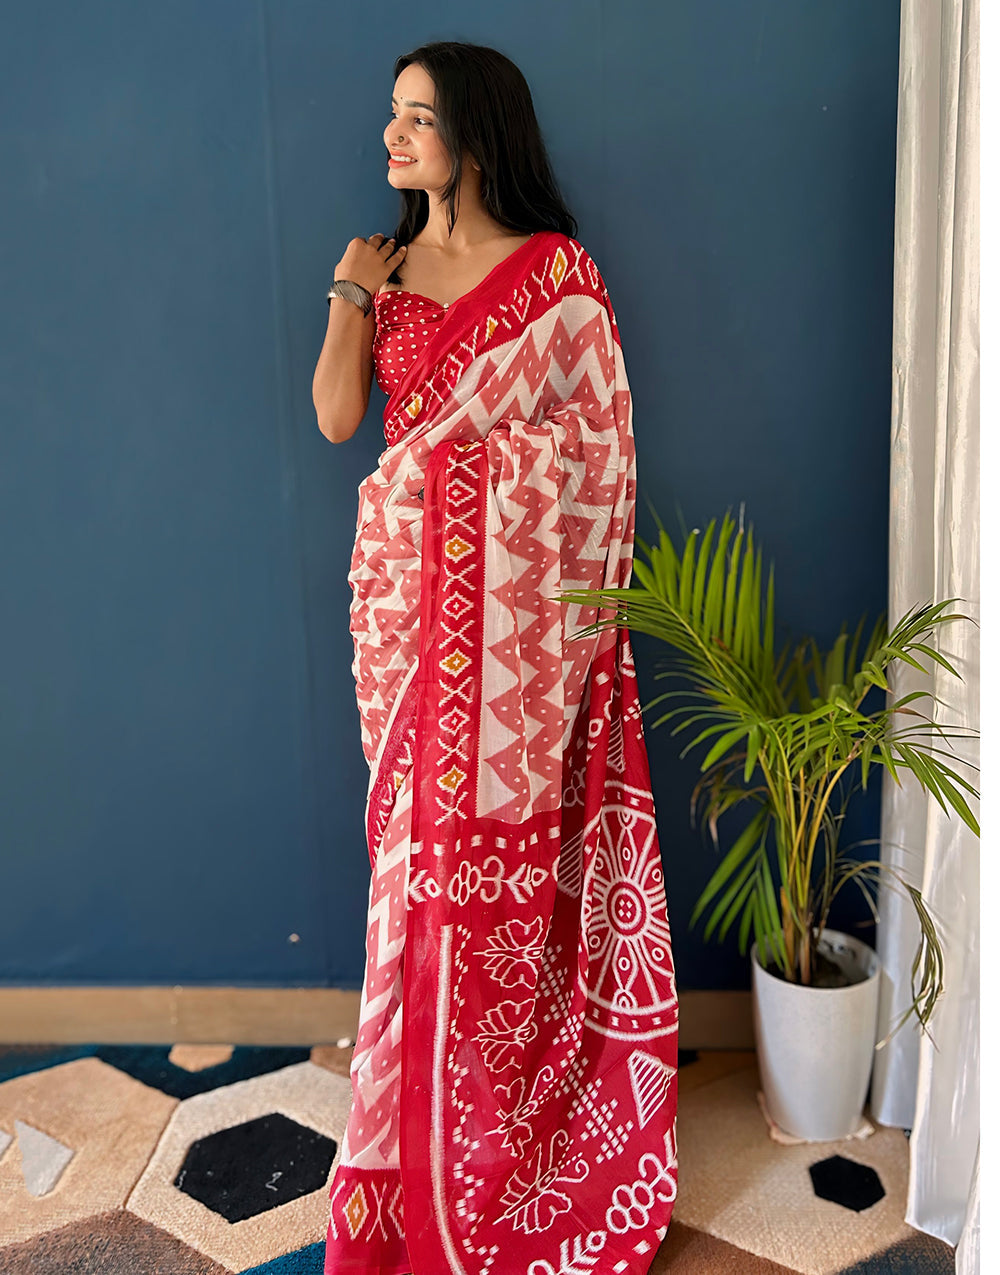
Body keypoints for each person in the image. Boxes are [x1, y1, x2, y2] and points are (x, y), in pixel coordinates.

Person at [313, 40, 678, 1275]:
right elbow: (338, 420)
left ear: (478, 135)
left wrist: (479, 497)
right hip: (408, 631)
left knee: (501, 888)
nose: (392, 138)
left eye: (417, 119)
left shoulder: (557, 277)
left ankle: (507, 1154)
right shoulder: (391, 266)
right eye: (392, 117)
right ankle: (400, 1167)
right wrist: (350, 295)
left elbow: (601, 455)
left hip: (519, 663)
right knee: (410, 888)